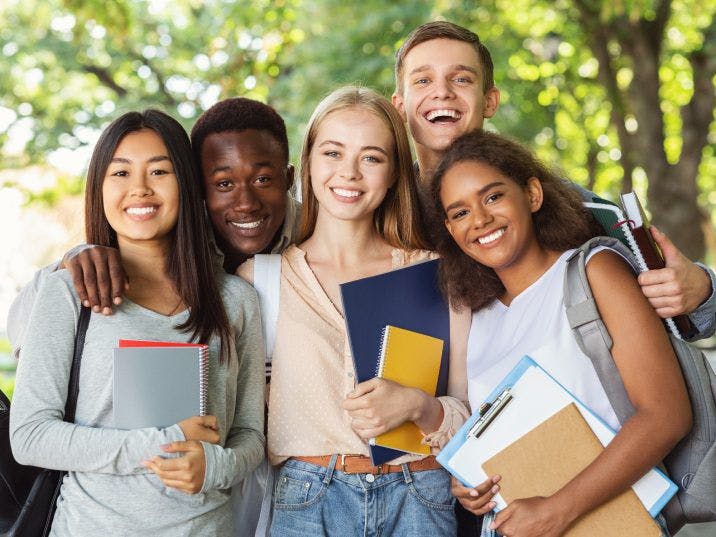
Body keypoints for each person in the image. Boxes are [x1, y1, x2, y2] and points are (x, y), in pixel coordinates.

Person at [9, 110, 265, 535]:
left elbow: (250, 434)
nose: (139, 189)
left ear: (186, 183)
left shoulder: (236, 300)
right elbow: (31, 435)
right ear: (100, 187)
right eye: (121, 172)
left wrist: (216, 465)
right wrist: (163, 442)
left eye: (159, 171)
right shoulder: (69, 293)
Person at [430, 130, 691, 537]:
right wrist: (470, 485)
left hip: (609, 525)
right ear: (450, 229)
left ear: (532, 195)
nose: (480, 220)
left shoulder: (594, 270)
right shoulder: (478, 316)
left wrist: (557, 510)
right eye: (460, 212)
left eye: (493, 197)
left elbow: (666, 415)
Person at [237, 86, 471, 536]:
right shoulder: (261, 281)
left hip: (419, 497)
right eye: (333, 153)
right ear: (307, 162)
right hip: (307, 501)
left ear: (393, 173)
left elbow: (471, 412)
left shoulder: (436, 275)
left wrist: (420, 407)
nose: (349, 173)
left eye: (371, 158)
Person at [391, 20, 715, 339]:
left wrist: (701, 289)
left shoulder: (571, 205)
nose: (442, 92)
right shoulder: (381, 213)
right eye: (422, 81)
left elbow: (672, 319)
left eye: (461, 78)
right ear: (399, 106)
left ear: (490, 101)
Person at [7, 97, 299, 350]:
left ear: (288, 178)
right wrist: (70, 260)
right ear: (196, 186)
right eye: (223, 183)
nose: (246, 203)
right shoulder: (172, 242)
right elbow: (24, 335)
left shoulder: (317, 235)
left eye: (262, 180)